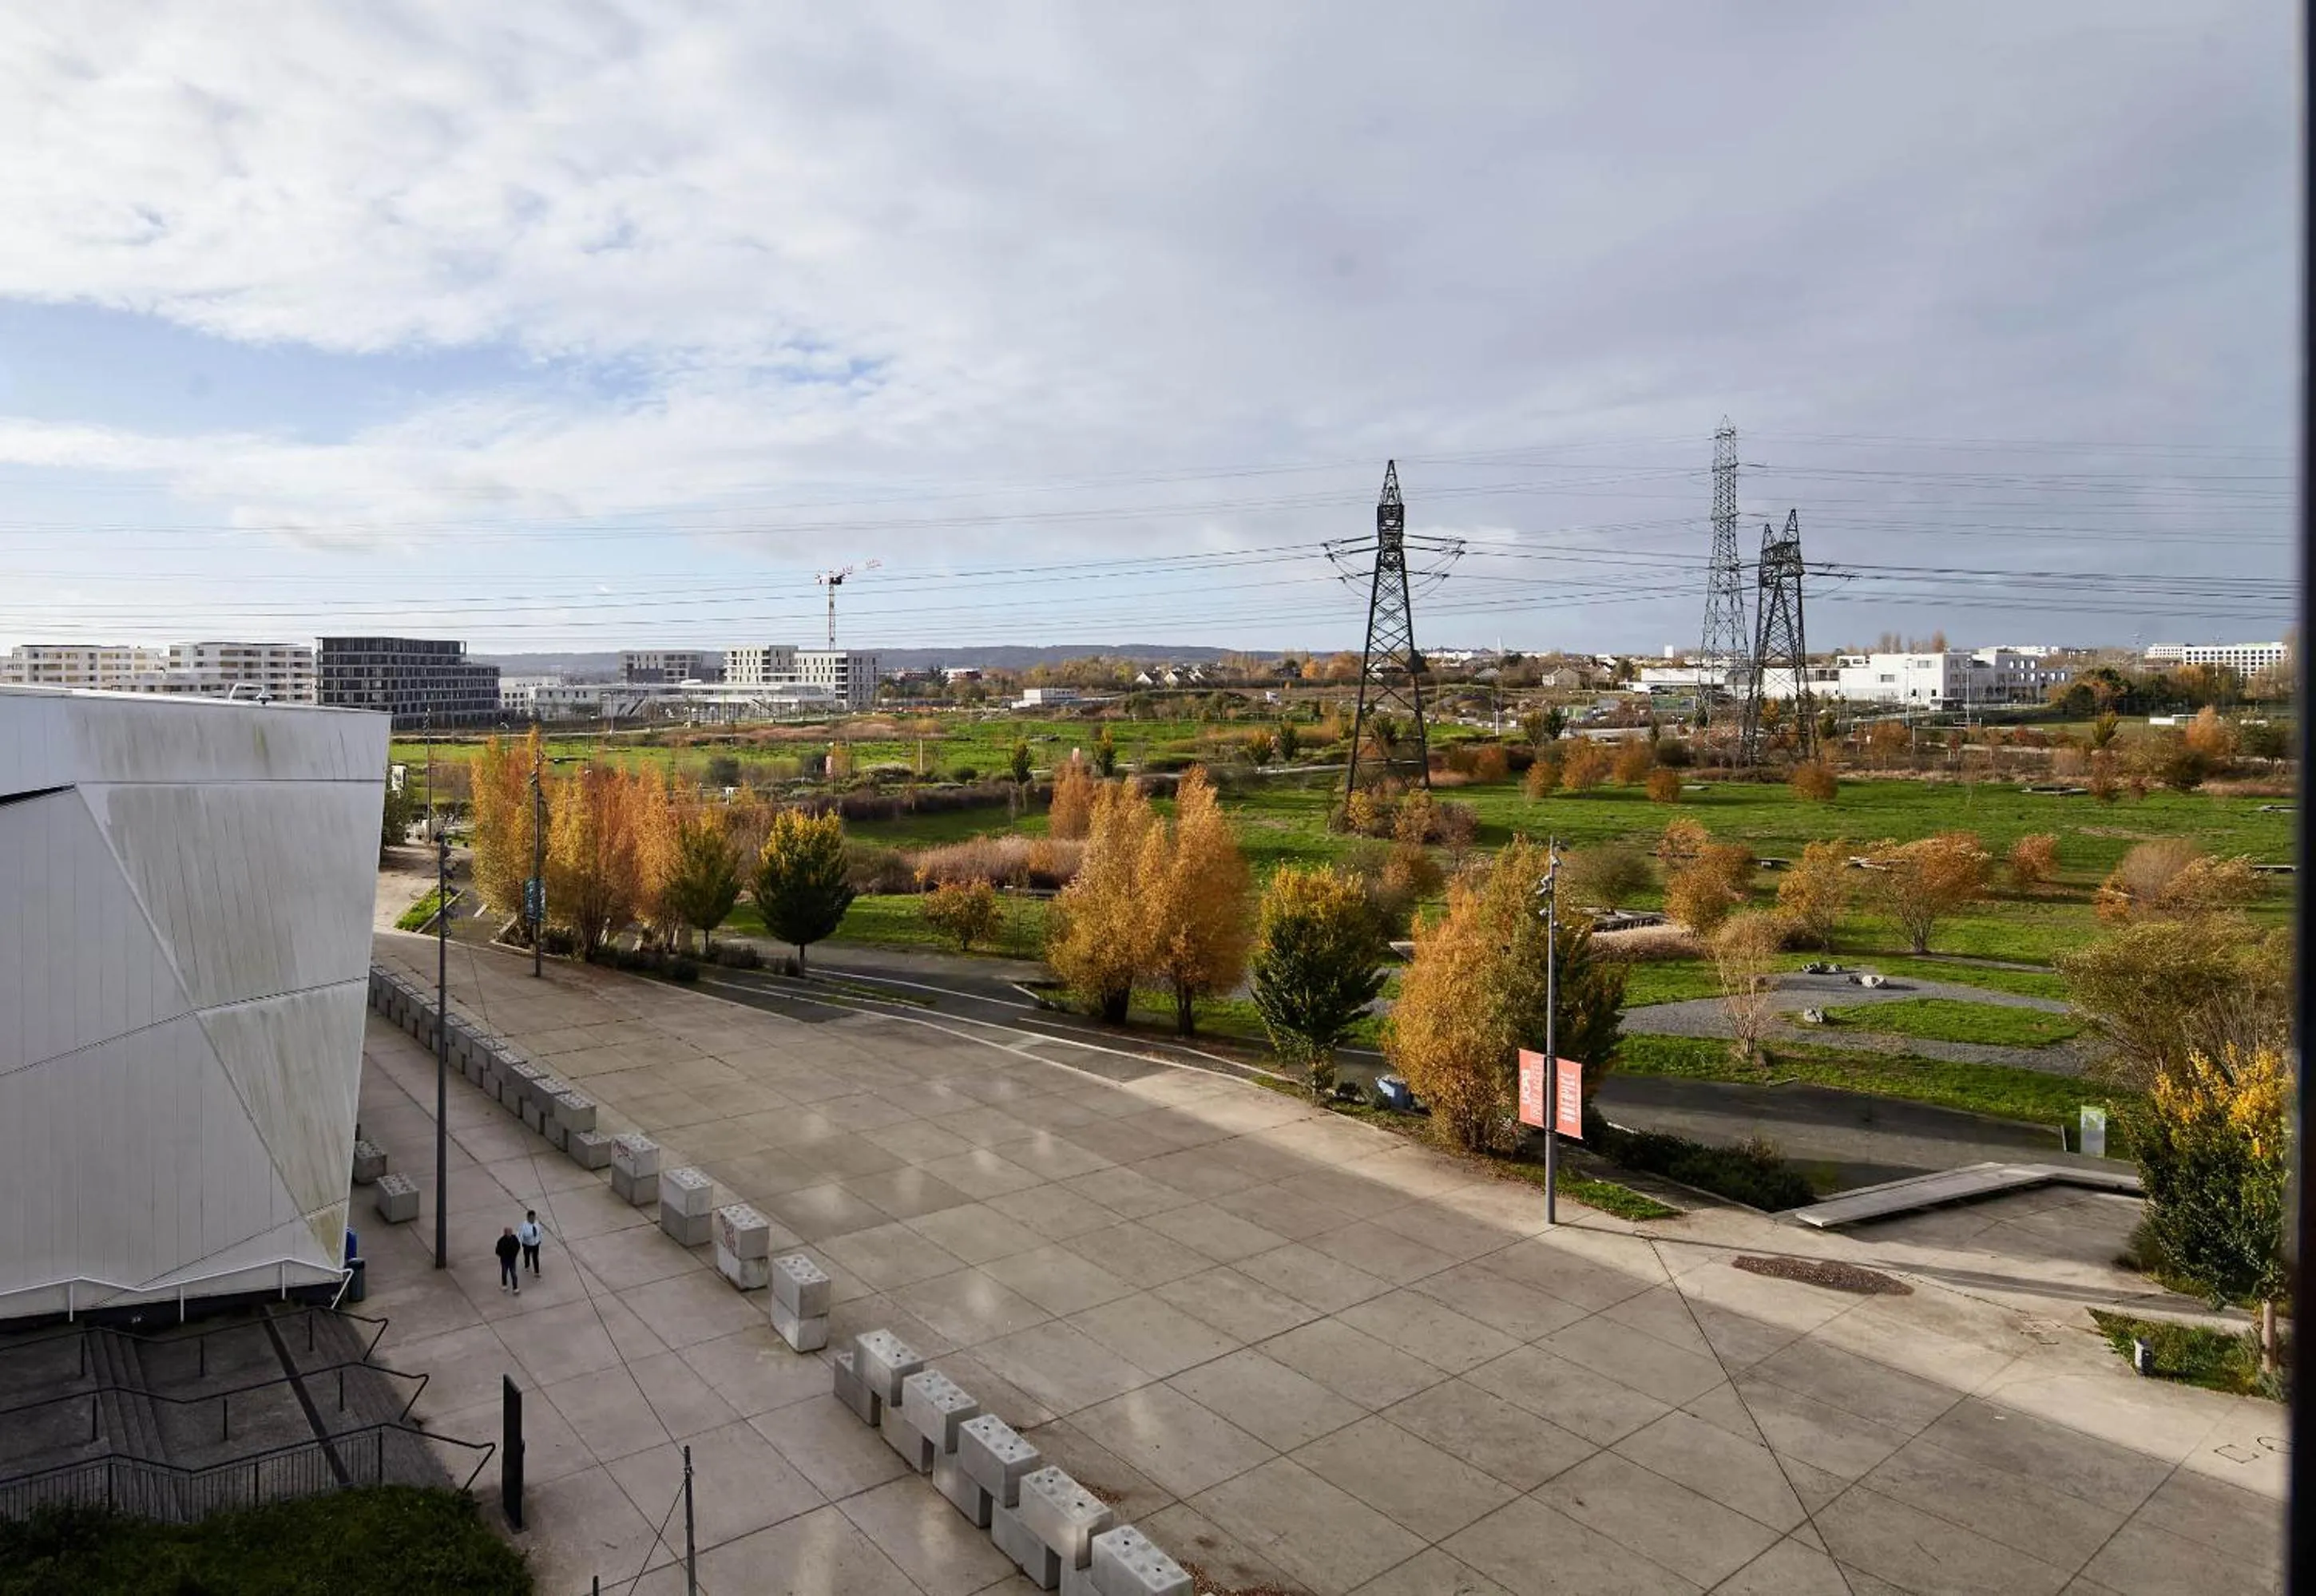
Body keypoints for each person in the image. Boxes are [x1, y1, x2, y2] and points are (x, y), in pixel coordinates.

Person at [518, 1210, 545, 1277]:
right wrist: (519, 1243)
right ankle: (527, 1265)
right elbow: (520, 1235)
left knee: (535, 1258)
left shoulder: (537, 1223)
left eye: (534, 1218)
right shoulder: (524, 1225)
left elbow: (540, 1232)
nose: (533, 1219)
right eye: (531, 1218)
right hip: (527, 1245)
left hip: (536, 1244)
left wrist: (540, 1239)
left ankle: (537, 1272)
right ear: (528, 1218)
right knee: (527, 1256)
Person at [495, 1226, 521, 1294]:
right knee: (504, 1272)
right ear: (505, 1233)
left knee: (513, 1274)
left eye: (510, 1232)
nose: (510, 1233)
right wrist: (502, 1255)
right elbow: (497, 1251)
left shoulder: (514, 1239)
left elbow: (518, 1246)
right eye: (508, 1232)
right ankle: (504, 1284)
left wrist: (514, 1254)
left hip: (512, 1260)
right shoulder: (501, 1241)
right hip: (505, 1261)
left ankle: (515, 1288)